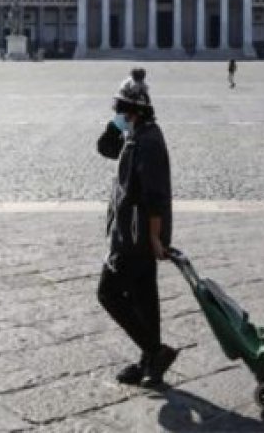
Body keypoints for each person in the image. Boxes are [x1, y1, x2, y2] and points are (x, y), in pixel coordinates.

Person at [96, 68, 177, 387]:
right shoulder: (136, 134)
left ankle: (155, 351)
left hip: (136, 236)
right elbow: (105, 148)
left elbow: (155, 196)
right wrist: (113, 126)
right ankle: (150, 363)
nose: (115, 113)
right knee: (144, 296)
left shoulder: (149, 141)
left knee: (108, 292)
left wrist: (156, 238)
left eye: (119, 110)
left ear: (133, 112)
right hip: (131, 232)